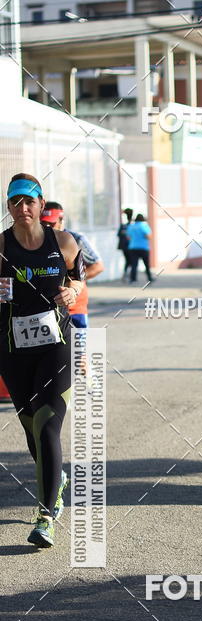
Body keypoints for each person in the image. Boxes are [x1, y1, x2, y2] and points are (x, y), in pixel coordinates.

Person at [0, 173, 84, 547]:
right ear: (8, 208)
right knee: (32, 429)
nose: (23, 208)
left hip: (56, 345)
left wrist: (72, 292)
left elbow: (78, 280)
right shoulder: (0, 246)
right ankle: (56, 479)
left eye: (29, 201)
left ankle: (46, 515)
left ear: (41, 204)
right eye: (15, 202)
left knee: (48, 425)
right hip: (14, 350)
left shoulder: (63, 242)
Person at [40, 202, 104, 330]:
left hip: (75, 307)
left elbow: (98, 266)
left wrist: (72, 282)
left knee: (80, 349)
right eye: (43, 223)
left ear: (61, 220)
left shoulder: (76, 239)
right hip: (46, 309)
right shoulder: (34, 241)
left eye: (51, 223)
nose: (47, 227)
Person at [127, 214, 153, 283]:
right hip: (143, 247)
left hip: (133, 247)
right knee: (146, 264)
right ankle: (149, 278)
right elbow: (149, 236)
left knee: (134, 264)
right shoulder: (144, 226)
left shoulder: (131, 226)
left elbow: (128, 237)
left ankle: (133, 279)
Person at [117, 208, 133, 281]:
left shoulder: (123, 226)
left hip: (124, 246)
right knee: (130, 261)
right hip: (130, 246)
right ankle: (128, 276)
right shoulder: (131, 226)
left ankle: (126, 275)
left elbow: (119, 235)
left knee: (128, 261)